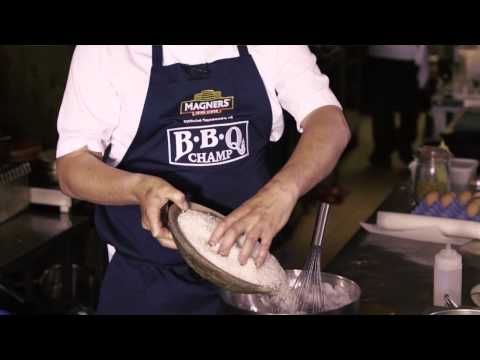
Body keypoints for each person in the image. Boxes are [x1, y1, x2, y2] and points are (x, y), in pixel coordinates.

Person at [55, 45, 350, 314]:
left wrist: (284, 190)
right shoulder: (107, 52)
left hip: (248, 278)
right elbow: (72, 168)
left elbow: (329, 122)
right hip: (147, 285)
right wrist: (138, 188)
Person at [365, 45, 429, 169]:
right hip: (388, 57)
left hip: (393, 58)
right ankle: (394, 149)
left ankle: (389, 149)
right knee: (396, 110)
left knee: (389, 110)